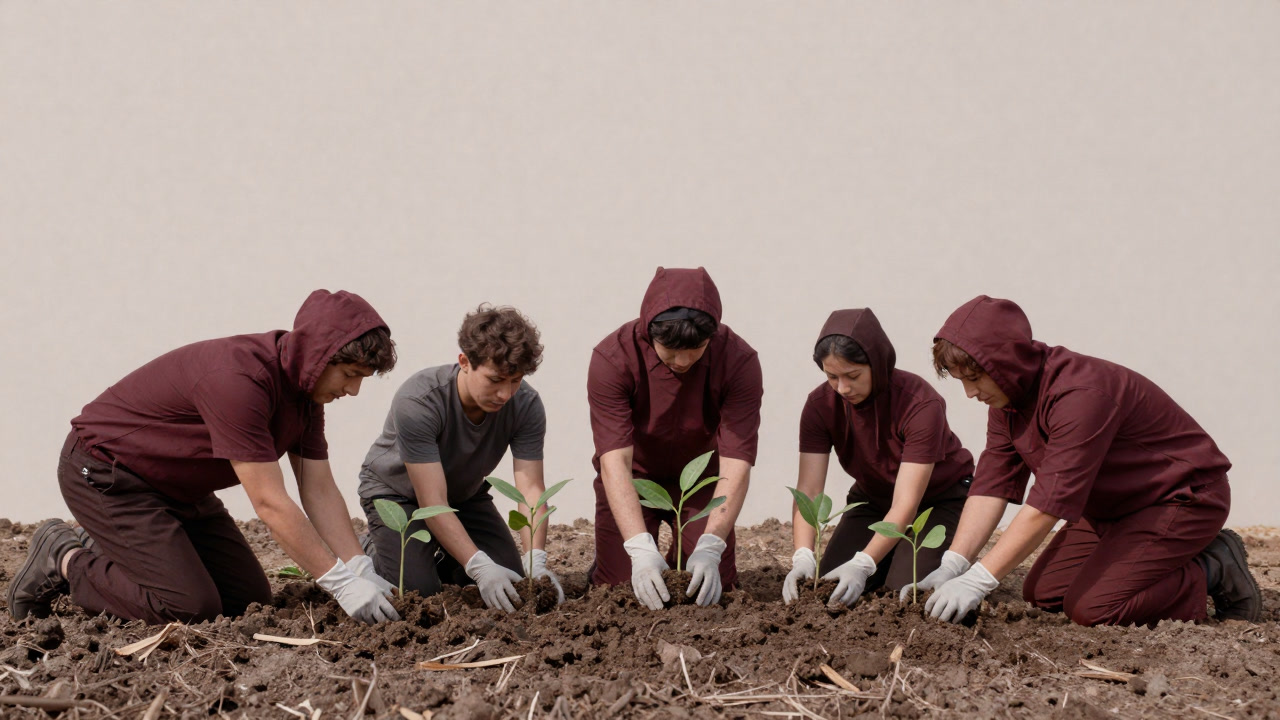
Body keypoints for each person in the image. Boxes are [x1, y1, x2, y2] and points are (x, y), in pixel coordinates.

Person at [8, 290, 401, 625]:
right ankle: (64, 555)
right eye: (350, 374)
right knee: (187, 606)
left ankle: (116, 548)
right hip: (109, 476)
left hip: (181, 489)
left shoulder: (305, 396)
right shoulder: (241, 381)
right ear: (319, 357)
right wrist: (340, 583)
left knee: (246, 601)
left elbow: (317, 488)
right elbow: (270, 502)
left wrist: (358, 565)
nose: (353, 391)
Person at [918, 295, 1260, 626]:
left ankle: (1212, 567)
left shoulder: (1079, 395)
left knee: (1094, 609)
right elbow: (992, 485)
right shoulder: (1008, 402)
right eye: (962, 381)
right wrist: (954, 565)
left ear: (1004, 363)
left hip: (1180, 498)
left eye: (975, 378)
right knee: (1044, 593)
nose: (970, 393)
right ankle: (1156, 557)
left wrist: (979, 580)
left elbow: (1049, 503)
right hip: (1113, 507)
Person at [358, 304, 559, 612]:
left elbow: (530, 487)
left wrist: (536, 560)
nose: (506, 393)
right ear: (464, 362)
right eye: (495, 380)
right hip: (399, 496)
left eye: (515, 380)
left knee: (513, 581)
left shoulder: (526, 405)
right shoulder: (420, 401)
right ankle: (372, 547)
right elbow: (431, 500)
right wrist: (479, 566)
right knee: (418, 594)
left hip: (464, 496)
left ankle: (445, 554)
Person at [587, 267, 763, 609]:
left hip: (701, 481)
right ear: (648, 332)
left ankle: (683, 553)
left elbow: (736, 462)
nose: (683, 361)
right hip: (636, 480)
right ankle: (626, 560)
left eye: (696, 348)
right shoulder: (613, 358)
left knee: (713, 589)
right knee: (621, 590)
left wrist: (712, 546)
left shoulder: (739, 361)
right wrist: (638, 548)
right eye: (670, 349)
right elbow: (615, 462)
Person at [784, 309, 976, 606]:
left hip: (938, 499)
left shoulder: (919, 403)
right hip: (875, 498)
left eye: (853, 375)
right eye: (832, 376)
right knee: (826, 588)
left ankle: (952, 555)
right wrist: (803, 555)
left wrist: (864, 564)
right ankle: (888, 555)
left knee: (905, 595)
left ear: (877, 363)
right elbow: (809, 491)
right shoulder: (820, 406)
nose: (843, 388)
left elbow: (907, 502)